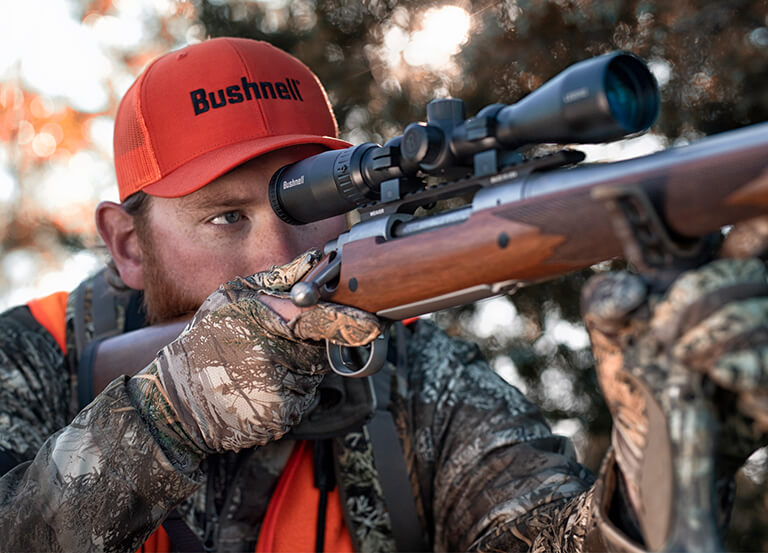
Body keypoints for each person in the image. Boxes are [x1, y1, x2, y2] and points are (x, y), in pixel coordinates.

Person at [0, 37, 766, 553]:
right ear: (128, 245)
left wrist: (660, 466)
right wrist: (170, 413)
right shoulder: (31, 359)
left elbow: (555, 537)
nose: (280, 253)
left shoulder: (415, 381)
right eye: (226, 217)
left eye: (304, 203)